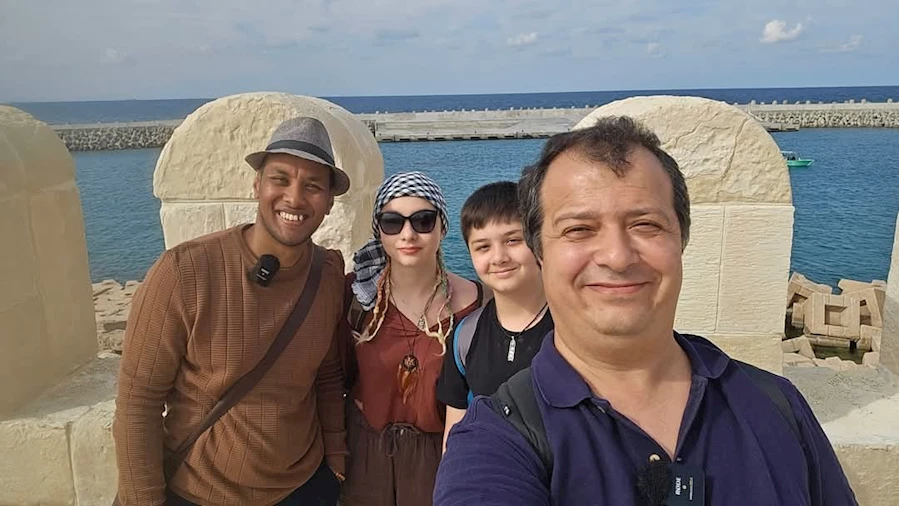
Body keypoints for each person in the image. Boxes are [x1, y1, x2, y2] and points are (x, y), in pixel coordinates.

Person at [434, 116, 858, 505]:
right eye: (579, 229)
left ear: (681, 241)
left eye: (646, 225)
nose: (617, 256)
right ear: (540, 253)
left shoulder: (777, 406)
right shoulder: (494, 443)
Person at [113, 117, 350, 506]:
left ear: (328, 203)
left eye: (312, 186)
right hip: (200, 492)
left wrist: (336, 463)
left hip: (305, 488)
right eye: (280, 179)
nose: (294, 198)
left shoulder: (327, 275)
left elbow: (326, 375)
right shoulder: (184, 272)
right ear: (257, 186)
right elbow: (138, 403)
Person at [339, 171, 485, 506]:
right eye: (392, 222)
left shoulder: (478, 304)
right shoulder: (356, 297)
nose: (408, 234)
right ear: (379, 231)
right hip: (365, 460)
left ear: (442, 228)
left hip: (441, 460)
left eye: (423, 220)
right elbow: (333, 377)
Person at [436, 181, 552, 451]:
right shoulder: (466, 336)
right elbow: (455, 436)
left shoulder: (575, 329)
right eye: (483, 247)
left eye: (513, 240)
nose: (499, 257)